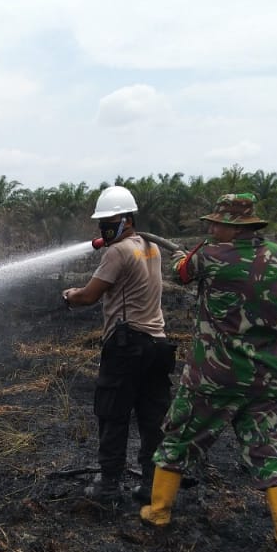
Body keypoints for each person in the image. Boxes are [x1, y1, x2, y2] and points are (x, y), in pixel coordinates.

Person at [140, 193, 277, 552]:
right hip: (264, 379)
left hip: (212, 377)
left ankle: (157, 513)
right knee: (273, 453)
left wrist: (184, 255)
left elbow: (180, 273)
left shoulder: (210, 255)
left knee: (179, 438)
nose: (211, 229)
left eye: (217, 224)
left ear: (235, 227)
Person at [62, 185, 174, 507]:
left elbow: (89, 296)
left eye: (109, 222)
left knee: (113, 414)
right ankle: (152, 485)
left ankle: (108, 485)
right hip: (158, 345)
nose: (103, 229)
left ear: (127, 219)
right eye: (102, 223)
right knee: (152, 418)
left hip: (127, 346)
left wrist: (70, 296)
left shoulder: (117, 252)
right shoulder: (151, 247)